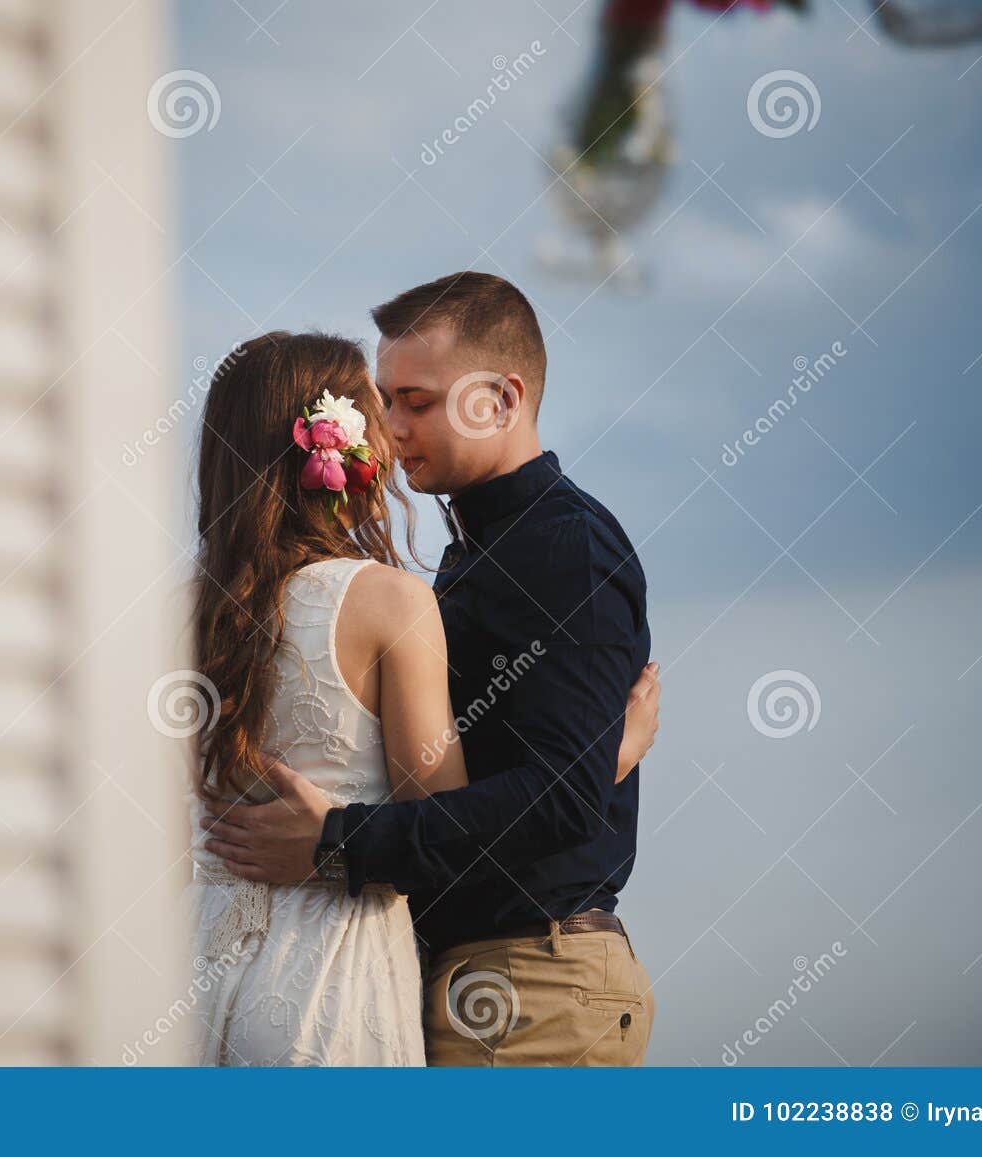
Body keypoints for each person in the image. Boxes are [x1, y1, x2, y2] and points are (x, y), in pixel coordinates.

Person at [200, 272, 660, 1066]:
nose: (389, 426)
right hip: (445, 972)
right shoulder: (460, 561)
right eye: (384, 401)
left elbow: (563, 799)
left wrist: (336, 841)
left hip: (534, 979)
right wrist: (605, 756)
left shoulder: (565, 548)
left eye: (416, 400)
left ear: (503, 399)